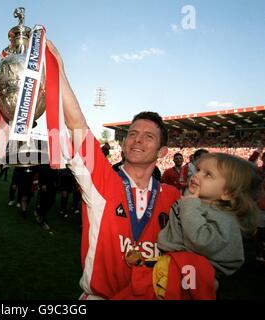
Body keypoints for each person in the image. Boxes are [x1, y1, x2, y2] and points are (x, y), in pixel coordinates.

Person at [47, 41, 181, 299]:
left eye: (148, 136)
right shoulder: (104, 181)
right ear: (124, 143)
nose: (138, 139)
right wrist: (58, 71)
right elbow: (77, 125)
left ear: (162, 152)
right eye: (132, 134)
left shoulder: (173, 197)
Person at [155, 153, 263, 298]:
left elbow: (201, 241)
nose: (196, 175)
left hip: (193, 273)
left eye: (208, 174)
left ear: (227, 192)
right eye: (198, 169)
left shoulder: (223, 216)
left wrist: (189, 206)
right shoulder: (199, 201)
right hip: (175, 266)